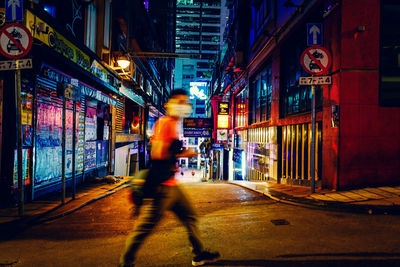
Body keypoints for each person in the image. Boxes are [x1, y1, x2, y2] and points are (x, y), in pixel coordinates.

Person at [119, 89, 220, 267]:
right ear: (169, 104)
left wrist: (182, 153)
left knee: (190, 217)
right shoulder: (165, 123)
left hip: (172, 185)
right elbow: (158, 153)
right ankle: (125, 262)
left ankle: (198, 254)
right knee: (145, 228)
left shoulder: (175, 124)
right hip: (162, 188)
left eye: (185, 102)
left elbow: (169, 152)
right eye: (179, 102)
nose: (183, 106)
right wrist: (180, 153)